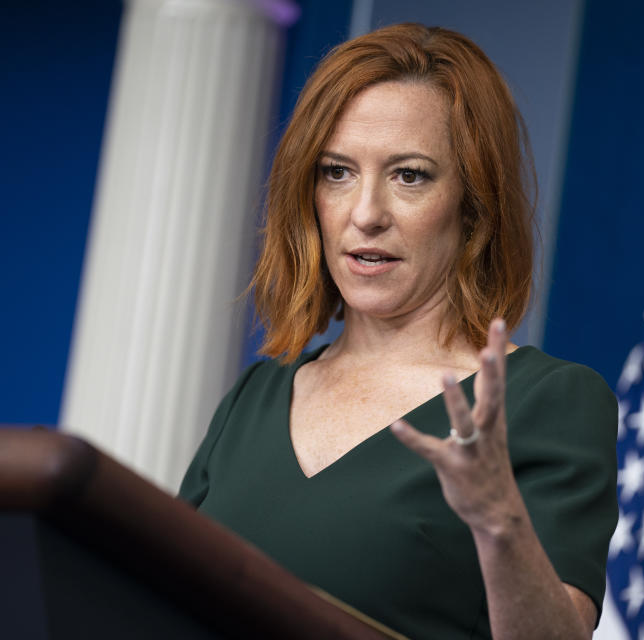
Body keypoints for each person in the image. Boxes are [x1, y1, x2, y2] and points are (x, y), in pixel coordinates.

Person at [179, 23, 617, 640]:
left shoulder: (550, 400)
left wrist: (500, 523)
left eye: (409, 175)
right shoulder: (256, 397)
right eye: (337, 172)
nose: (365, 214)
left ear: (474, 205)